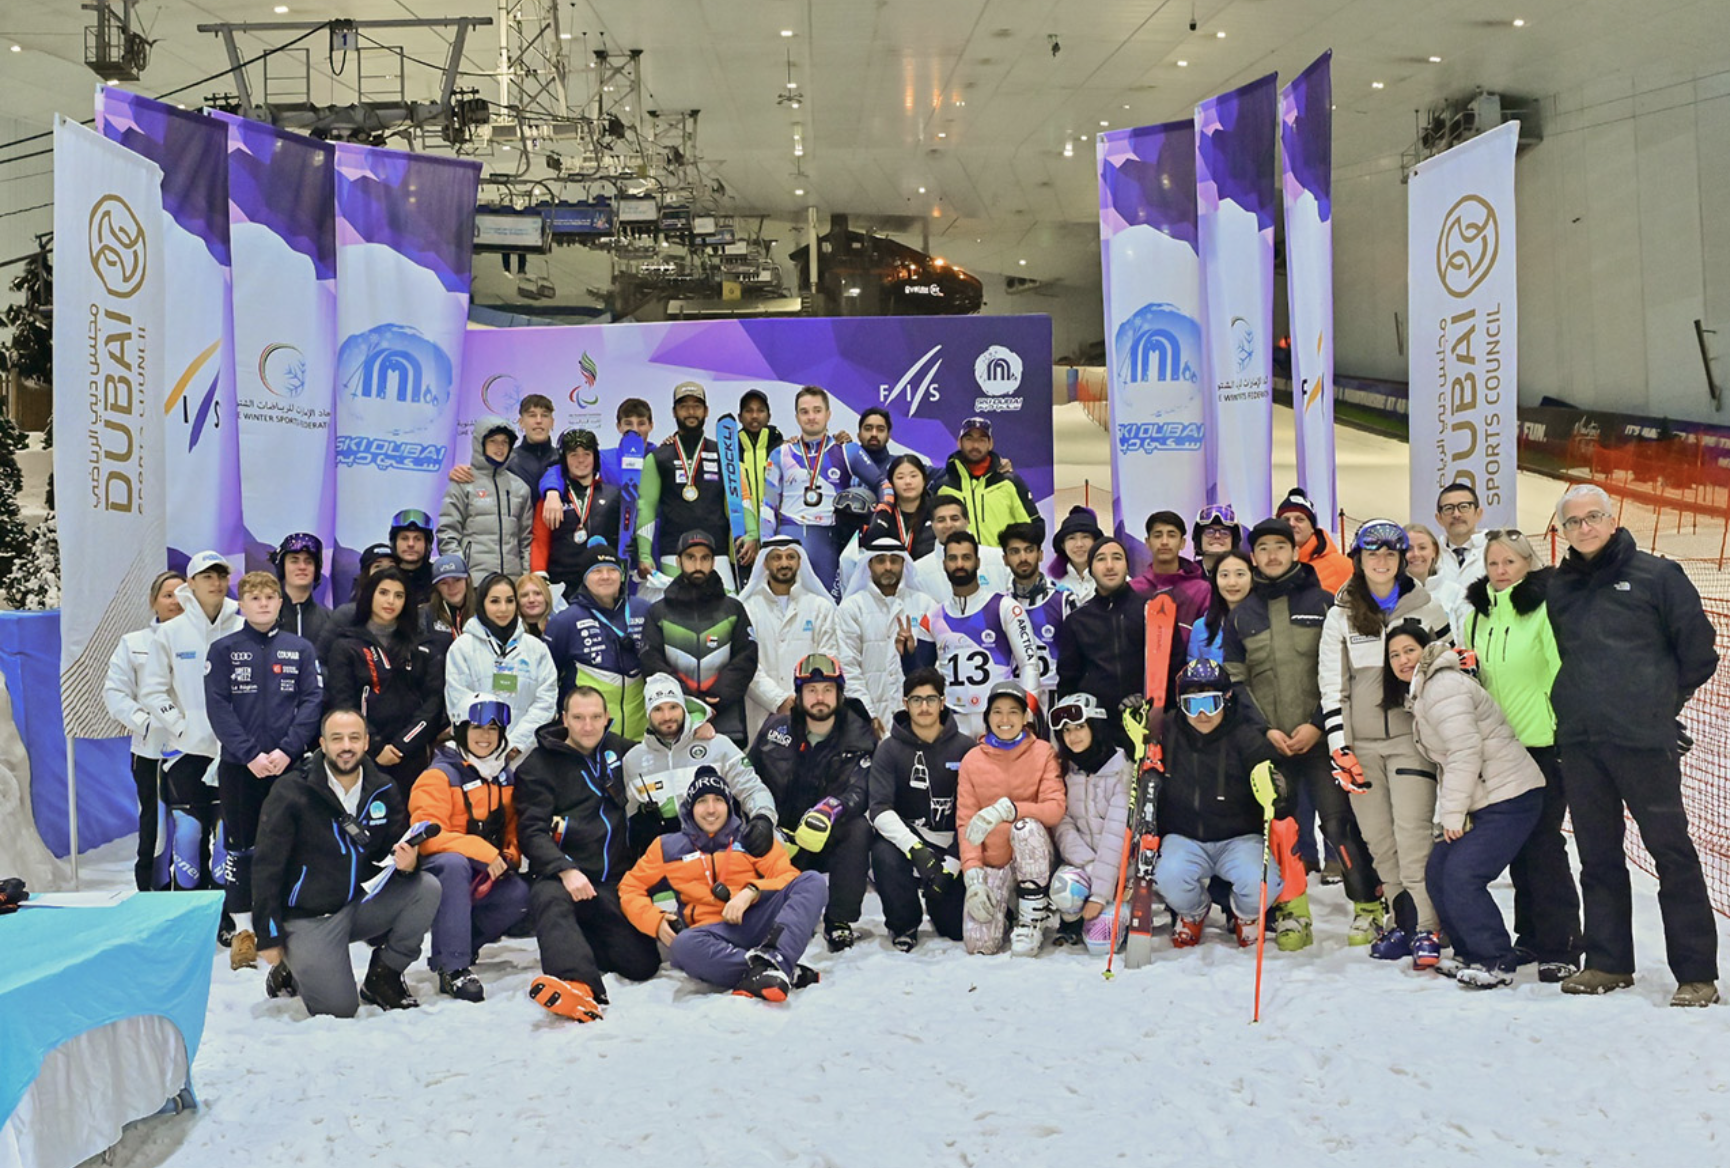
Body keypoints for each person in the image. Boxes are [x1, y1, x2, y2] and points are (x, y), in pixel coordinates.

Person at [1547, 484, 1720, 1006]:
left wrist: (1658, 706)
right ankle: (1607, 962)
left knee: (1672, 854)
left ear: (1613, 517)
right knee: (1597, 856)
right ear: (1563, 531)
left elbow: (1699, 653)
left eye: (1593, 517)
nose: (1584, 528)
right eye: (1573, 522)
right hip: (1580, 743)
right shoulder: (1558, 587)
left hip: (1644, 743)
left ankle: (1696, 974)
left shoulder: (1657, 575)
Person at [1223, 519, 1382, 948]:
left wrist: (1316, 723)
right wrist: (1266, 731)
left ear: (1295, 552)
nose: (1272, 555)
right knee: (1282, 830)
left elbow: (1341, 672)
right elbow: (1236, 683)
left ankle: (1369, 907)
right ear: (1253, 556)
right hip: (1271, 744)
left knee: (1338, 825)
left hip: (1320, 739)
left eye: (1281, 546)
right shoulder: (1240, 616)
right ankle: (1293, 912)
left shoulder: (1326, 603)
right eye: (1263, 548)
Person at [1316, 520, 1451, 965]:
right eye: (1372, 554)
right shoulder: (1340, 615)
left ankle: (1430, 928)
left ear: (1401, 559)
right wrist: (1340, 748)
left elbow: (1450, 677)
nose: (1380, 562)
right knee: (1378, 841)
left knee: (1413, 837)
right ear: (1358, 559)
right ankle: (1403, 921)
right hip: (1362, 748)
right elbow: (1332, 686)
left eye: (1390, 555)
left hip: (1413, 742)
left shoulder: (1428, 611)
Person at [251, 709, 440, 1016]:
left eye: (354, 737)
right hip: (309, 917)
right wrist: (268, 934)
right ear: (322, 744)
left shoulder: (383, 788)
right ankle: (292, 962)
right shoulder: (291, 791)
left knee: (426, 887)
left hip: (358, 904)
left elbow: (389, 854)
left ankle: (384, 976)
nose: (346, 746)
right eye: (337, 739)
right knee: (339, 1009)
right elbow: (266, 867)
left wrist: (408, 867)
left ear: (366, 742)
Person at [1390, 628, 1545, 989]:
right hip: (1484, 797)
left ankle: (1496, 960)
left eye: (1409, 650)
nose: (1402, 660)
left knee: (1463, 874)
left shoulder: (1443, 688)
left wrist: (1452, 815)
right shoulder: (1425, 692)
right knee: (1439, 869)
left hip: (1510, 796)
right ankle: (1469, 952)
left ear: (1425, 651)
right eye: (1394, 655)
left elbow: (1464, 752)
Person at [1461, 528, 1581, 981]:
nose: (1501, 571)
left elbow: (1560, 671)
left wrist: (1564, 730)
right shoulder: (1477, 616)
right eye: (1493, 563)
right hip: (1500, 747)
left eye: (1510, 562)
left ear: (1528, 564)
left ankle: (1562, 943)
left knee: (1545, 842)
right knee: (1518, 845)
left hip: (1544, 743)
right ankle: (1529, 935)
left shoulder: (1544, 610)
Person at [515, 686, 661, 1022]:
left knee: (642, 965)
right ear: (563, 719)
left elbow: (666, 752)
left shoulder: (622, 751)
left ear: (607, 718)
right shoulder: (538, 765)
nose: (587, 726)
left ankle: (575, 941)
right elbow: (532, 831)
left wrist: (699, 732)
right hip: (564, 878)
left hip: (611, 882)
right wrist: (564, 869)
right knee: (549, 898)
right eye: (578, 718)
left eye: (596, 717)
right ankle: (575, 983)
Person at [204, 571, 325, 969]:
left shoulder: (300, 649)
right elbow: (218, 706)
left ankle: (283, 925)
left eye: (270, 597)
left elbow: (311, 702)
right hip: (242, 767)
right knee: (240, 850)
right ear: (241, 604)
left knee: (286, 847)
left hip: (286, 766)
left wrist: (288, 751)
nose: (263, 604)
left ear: (280, 603)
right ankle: (244, 933)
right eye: (254, 597)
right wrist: (250, 754)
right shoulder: (223, 650)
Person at [619, 770, 829, 1001]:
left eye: (718, 800)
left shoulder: (751, 838)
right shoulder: (666, 847)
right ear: (690, 808)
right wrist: (655, 921)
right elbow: (630, 887)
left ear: (729, 806)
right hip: (711, 936)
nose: (711, 809)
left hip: (759, 923)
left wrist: (752, 891)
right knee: (683, 945)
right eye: (702, 801)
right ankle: (774, 968)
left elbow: (787, 876)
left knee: (813, 881)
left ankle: (775, 959)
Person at [1155, 660, 1288, 948]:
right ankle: (1193, 911)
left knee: (1261, 884)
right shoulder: (1167, 730)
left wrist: (1276, 789)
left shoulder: (1245, 736)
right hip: (1185, 836)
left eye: (1211, 704)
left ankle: (1246, 914)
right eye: (1192, 705)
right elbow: (1135, 748)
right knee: (1169, 877)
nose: (1202, 714)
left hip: (1238, 838)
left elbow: (1275, 775)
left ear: (1226, 701)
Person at [407, 695, 532, 1002]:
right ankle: (452, 966)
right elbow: (425, 836)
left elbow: (514, 829)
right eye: (476, 727)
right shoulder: (438, 775)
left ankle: (463, 941)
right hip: (440, 875)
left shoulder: (505, 776)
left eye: (493, 728)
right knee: (453, 864)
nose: (485, 736)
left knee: (520, 893)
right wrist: (482, 852)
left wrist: (508, 855)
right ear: (460, 730)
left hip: (484, 873)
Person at [749, 653, 876, 952]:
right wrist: (765, 821)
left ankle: (840, 920)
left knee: (859, 829)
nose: (820, 697)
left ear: (840, 694)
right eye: (811, 690)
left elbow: (862, 786)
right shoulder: (774, 730)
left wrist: (831, 809)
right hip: (781, 836)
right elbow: (748, 779)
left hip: (827, 833)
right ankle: (770, 910)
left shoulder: (860, 733)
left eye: (828, 690)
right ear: (799, 694)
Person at [139, 551, 244, 895]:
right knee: (187, 837)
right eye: (207, 577)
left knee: (228, 840)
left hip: (234, 754)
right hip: (185, 753)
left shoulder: (243, 628)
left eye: (221, 576)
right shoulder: (170, 633)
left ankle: (227, 917)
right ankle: (186, 914)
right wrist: (181, 727)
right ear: (192, 584)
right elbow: (152, 690)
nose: (216, 583)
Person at [869, 668, 972, 951]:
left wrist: (952, 864)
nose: (924, 707)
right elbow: (879, 808)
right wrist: (916, 850)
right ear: (905, 703)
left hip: (955, 842)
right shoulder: (888, 750)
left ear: (942, 701)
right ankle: (904, 924)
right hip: (910, 839)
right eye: (916, 700)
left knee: (954, 930)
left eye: (930, 699)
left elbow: (974, 812)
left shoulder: (966, 747)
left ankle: (941, 902)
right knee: (883, 851)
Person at [958, 682, 1064, 956]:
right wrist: (974, 877)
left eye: (1013, 712)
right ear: (987, 717)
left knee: (1025, 827)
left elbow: (1054, 809)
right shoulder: (971, 760)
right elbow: (966, 823)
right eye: (997, 712)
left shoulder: (1042, 752)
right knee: (979, 944)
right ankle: (1006, 910)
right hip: (995, 858)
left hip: (1035, 855)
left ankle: (1032, 917)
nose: (1005, 720)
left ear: (1025, 717)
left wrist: (1009, 810)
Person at [322, 567, 446, 796]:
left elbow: (432, 704)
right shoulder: (345, 646)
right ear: (370, 595)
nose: (391, 601)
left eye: (399, 595)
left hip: (411, 754)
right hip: (363, 754)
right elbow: (342, 702)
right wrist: (376, 746)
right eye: (384, 593)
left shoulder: (422, 648)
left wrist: (402, 746)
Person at [623, 673, 780, 850]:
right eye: (658, 709)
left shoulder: (717, 744)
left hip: (722, 851)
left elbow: (752, 789)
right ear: (647, 713)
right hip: (667, 858)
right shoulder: (633, 760)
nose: (667, 716)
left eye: (673, 707)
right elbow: (626, 814)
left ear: (684, 707)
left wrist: (763, 818)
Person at [103, 570, 185, 891]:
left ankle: (195, 893)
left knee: (195, 828)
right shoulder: (133, 643)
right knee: (154, 824)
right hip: (151, 751)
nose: (176, 602)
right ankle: (151, 892)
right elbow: (115, 693)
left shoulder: (207, 642)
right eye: (168, 595)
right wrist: (148, 723)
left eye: (183, 595)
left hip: (195, 750)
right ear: (153, 602)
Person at [639, 530, 759, 746]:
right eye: (690, 557)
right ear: (678, 561)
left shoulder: (734, 609)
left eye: (704, 558)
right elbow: (651, 661)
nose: (697, 565)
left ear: (713, 562)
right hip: (674, 720)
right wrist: (685, 700)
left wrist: (720, 695)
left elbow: (747, 657)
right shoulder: (657, 612)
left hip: (727, 719)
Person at [917, 532, 1042, 738]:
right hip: (953, 721)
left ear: (978, 561)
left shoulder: (1005, 607)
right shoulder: (932, 617)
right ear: (943, 563)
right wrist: (907, 655)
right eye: (953, 558)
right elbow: (922, 675)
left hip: (999, 718)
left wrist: (1026, 711)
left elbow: (1029, 663)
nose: (959, 564)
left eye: (966, 558)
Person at [636, 382, 758, 590]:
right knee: (678, 614)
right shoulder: (658, 458)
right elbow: (646, 506)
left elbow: (741, 498)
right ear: (674, 412)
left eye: (697, 406)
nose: (691, 412)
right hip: (673, 553)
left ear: (706, 411)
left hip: (716, 552)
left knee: (727, 611)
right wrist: (645, 554)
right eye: (684, 406)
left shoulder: (725, 454)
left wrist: (752, 533)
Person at [442, 573, 556, 763]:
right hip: (477, 755)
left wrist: (515, 744)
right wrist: (489, 742)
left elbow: (546, 702)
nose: (503, 609)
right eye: (495, 601)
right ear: (482, 604)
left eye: (510, 601)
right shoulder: (462, 647)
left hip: (525, 754)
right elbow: (458, 701)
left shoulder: (536, 649)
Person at [1047, 693, 1130, 953]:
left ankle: (1115, 910)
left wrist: (1099, 894)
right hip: (1087, 866)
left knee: (1100, 945)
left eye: (1080, 727)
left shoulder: (1122, 770)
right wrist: (1090, 865)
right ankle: (1073, 919)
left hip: (1120, 875)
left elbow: (1116, 835)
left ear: (1095, 725)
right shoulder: (1065, 771)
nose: (1073, 736)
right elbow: (1063, 826)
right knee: (1064, 890)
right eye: (1066, 731)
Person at [760, 385, 862, 596]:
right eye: (804, 412)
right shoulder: (780, 454)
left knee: (830, 608)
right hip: (789, 542)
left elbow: (880, 484)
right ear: (796, 417)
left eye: (817, 410)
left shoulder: (845, 451)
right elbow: (768, 505)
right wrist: (765, 549)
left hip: (829, 541)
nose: (811, 417)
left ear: (828, 414)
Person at [739, 535, 841, 739]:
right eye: (776, 558)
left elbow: (829, 659)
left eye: (790, 557)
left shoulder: (820, 607)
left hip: (811, 709)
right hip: (763, 711)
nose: (784, 563)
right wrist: (778, 700)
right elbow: (746, 665)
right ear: (765, 563)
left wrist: (804, 698)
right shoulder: (747, 608)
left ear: (799, 561)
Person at [836, 535, 938, 738]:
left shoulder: (925, 605)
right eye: (881, 560)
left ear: (904, 564)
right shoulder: (851, 608)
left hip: (918, 717)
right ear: (869, 564)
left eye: (894, 560)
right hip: (867, 719)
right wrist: (868, 714)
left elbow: (936, 666)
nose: (888, 566)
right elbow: (848, 667)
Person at [544, 543, 647, 740]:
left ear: (622, 575)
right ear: (584, 578)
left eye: (612, 570)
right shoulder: (566, 621)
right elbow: (548, 677)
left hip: (641, 735)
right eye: (597, 571)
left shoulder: (643, 610)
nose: (606, 576)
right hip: (589, 737)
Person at [1055, 537, 1145, 741]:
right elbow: (1068, 683)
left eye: (1117, 558)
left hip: (1147, 725)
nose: (1110, 566)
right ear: (1091, 568)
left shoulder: (1151, 611)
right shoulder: (1077, 620)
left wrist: (1153, 705)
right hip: (1098, 732)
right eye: (1101, 559)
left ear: (1127, 565)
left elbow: (1171, 669)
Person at [439, 415, 534, 584]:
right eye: (493, 441)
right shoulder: (463, 483)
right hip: (474, 583)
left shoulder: (520, 488)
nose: (500, 447)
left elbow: (526, 542)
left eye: (505, 442)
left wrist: (525, 580)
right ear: (480, 443)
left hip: (511, 584)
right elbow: (448, 534)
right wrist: (461, 574)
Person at [532, 428, 623, 599]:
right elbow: (540, 541)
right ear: (564, 459)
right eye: (573, 455)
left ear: (595, 457)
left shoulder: (614, 495)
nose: (581, 460)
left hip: (602, 582)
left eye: (586, 454)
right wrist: (539, 576)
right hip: (561, 585)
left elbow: (623, 538)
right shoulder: (552, 497)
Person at [932, 417, 1040, 549]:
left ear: (990, 444)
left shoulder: (1009, 482)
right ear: (959, 443)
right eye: (969, 439)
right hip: (959, 564)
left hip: (1002, 565)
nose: (975, 446)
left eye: (982, 440)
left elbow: (1033, 526)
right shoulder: (943, 486)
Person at [1001, 522, 1067, 711]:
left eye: (1029, 550)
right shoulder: (998, 605)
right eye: (1014, 552)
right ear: (1005, 559)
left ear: (1040, 554)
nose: (1023, 558)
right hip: (1014, 698)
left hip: (1055, 697)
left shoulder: (1063, 600)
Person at [1131, 510, 1212, 645]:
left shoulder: (1201, 590)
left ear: (1182, 543)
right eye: (1157, 535)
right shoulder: (1134, 589)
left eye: (1171, 535)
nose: (1164, 542)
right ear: (1147, 542)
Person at [915, 496, 1007, 601]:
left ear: (967, 520)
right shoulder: (918, 572)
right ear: (932, 525)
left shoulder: (999, 558)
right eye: (941, 520)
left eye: (955, 518)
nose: (948, 525)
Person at [317, 542, 397, 660]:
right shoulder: (346, 615)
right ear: (365, 575)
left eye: (391, 567)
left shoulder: (408, 615)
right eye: (377, 567)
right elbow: (319, 660)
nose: (385, 574)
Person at [1276, 488, 1352, 595]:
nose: (1291, 524)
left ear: (1312, 528)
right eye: (1285, 520)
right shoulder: (1269, 564)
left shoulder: (1342, 566)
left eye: (1300, 519)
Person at [864, 453, 938, 562]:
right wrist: (882, 514)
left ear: (924, 480)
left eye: (913, 476)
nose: (908, 482)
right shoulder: (882, 512)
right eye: (900, 477)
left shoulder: (937, 511)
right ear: (891, 483)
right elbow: (868, 546)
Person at [1187, 549, 1255, 665]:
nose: (1232, 583)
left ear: (1252, 579)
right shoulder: (1201, 627)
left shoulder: (1266, 621)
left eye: (1240, 574)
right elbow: (1193, 674)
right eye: (1224, 575)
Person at [271, 533, 331, 648]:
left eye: (308, 561)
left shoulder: (330, 621)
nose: (302, 567)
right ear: (282, 567)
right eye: (294, 561)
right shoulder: (267, 616)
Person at [1403, 522, 1466, 627]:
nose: (1416, 554)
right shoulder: (1389, 595)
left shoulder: (1455, 593)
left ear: (1434, 551)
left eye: (1422, 548)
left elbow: (1464, 636)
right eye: (1408, 549)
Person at [1431, 481, 1488, 595]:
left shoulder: (1496, 549)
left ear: (1478, 513)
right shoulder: (1430, 557)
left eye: (1464, 507)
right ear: (1439, 518)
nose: (1456, 514)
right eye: (1448, 508)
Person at [736, 389, 783, 522]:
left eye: (760, 410)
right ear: (740, 417)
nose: (754, 416)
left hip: (775, 533)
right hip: (743, 534)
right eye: (748, 411)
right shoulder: (730, 451)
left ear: (769, 416)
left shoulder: (782, 449)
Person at [1047, 505, 1103, 608]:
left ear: (1095, 542)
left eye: (1085, 537)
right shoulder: (1052, 584)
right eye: (1071, 538)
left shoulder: (1111, 576)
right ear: (1063, 545)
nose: (1079, 544)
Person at [388, 509, 437, 608]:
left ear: (427, 544)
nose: (411, 544)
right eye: (404, 538)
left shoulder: (437, 578)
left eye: (418, 539)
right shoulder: (383, 576)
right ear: (394, 543)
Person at [423, 554, 474, 647]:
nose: (452, 587)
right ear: (436, 587)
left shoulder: (482, 611)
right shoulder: (425, 615)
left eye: (457, 580)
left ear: (468, 580)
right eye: (444, 583)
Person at [847, 406, 898, 494]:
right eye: (868, 428)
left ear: (888, 436)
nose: (874, 434)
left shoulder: (898, 465)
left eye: (880, 429)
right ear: (859, 435)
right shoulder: (844, 463)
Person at [1192, 503, 1244, 573]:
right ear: (1199, 539)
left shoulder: (1245, 574)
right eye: (1209, 532)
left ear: (1234, 541)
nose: (1217, 536)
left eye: (1224, 532)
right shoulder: (1186, 575)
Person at [515, 572, 556, 640]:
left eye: (537, 594)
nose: (531, 600)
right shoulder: (511, 633)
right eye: (524, 595)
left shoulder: (559, 628)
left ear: (546, 597)